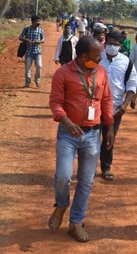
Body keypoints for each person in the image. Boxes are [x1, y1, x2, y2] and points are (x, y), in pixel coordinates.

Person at [47, 36, 115, 242]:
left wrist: (109, 128)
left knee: (86, 181)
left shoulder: (101, 72)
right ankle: (61, 204)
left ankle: (76, 222)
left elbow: (107, 100)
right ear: (84, 57)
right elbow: (55, 103)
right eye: (97, 56)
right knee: (63, 176)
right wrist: (67, 123)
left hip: (93, 134)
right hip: (68, 134)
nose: (100, 58)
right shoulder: (63, 73)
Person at [98, 31, 137, 180]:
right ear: (104, 43)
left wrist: (125, 105)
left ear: (120, 46)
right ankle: (87, 167)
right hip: (94, 107)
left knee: (109, 139)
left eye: (115, 45)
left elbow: (132, 84)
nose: (112, 47)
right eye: (109, 44)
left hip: (115, 109)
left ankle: (106, 167)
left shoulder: (127, 62)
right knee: (91, 139)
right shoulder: (96, 58)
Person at [19, 15, 45, 88]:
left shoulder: (40, 30)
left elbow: (43, 40)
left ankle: (37, 80)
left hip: (38, 52)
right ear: (33, 22)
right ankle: (28, 83)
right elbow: (20, 37)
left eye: (39, 22)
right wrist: (26, 40)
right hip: (28, 51)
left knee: (39, 66)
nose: (39, 23)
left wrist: (39, 41)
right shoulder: (26, 29)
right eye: (37, 22)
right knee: (27, 69)